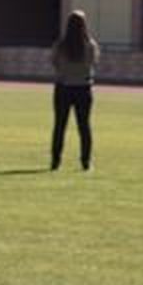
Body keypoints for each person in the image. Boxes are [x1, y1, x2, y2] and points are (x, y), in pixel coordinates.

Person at [48, 10, 98, 171]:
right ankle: (86, 161)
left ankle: (55, 161)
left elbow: (54, 62)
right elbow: (92, 63)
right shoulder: (90, 45)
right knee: (84, 126)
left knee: (60, 125)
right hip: (83, 88)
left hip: (63, 87)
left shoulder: (60, 45)